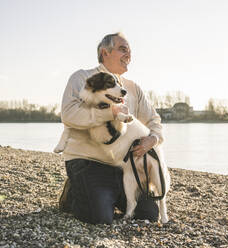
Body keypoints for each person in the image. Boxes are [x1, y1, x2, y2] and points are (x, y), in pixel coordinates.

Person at [57, 32, 163, 224]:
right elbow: (69, 114)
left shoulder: (133, 88)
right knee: (99, 218)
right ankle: (73, 192)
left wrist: (152, 139)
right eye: (123, 49)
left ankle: (106, 195)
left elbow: (154, 121)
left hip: (123, 167)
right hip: (87, 163)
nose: (129, 55)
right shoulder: (82, 78)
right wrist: (110, 112)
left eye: (130, 51)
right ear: (104, 52)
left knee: (148, 214)